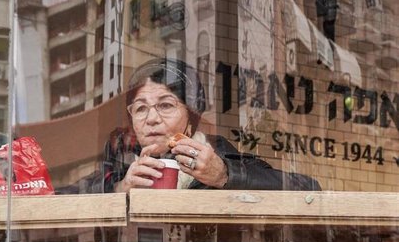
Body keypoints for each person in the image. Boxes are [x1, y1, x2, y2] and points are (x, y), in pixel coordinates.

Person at [103, 57, 320, 193]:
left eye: (166, 105)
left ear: (191, 118)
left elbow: (308, 188)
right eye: (140, 108)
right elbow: (72, 194)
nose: (151, 118)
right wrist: (120, 189)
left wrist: (224, 175)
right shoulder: (121, 164)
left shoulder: (215, 154)